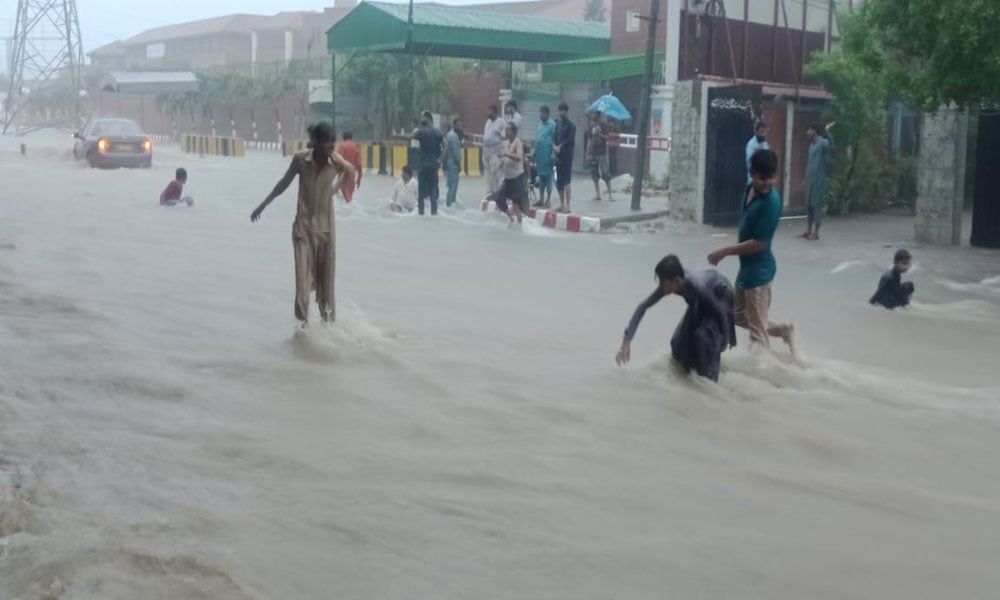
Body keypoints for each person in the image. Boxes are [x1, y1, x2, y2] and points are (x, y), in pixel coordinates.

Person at [250, 121, 354, 325]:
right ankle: (303, 333)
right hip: (303, 231)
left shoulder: (335, 162)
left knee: (327, 287)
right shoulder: (300, 160)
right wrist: (262, 205)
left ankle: (328, 332)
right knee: (302, 286)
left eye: (333, 142)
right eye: (327, 142)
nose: (331, 146)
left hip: (326, 233)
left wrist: (333, 189)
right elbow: (283, 183)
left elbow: (350, 172)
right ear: (315, 142)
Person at [708, 149, 796, 353]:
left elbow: (759, 244)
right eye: (762, 178)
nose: (767, 182)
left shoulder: (771, 204)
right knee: (737, 315)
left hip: (759, 276)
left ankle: (762, 377)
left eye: (771, 178)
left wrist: (724, 251)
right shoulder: (750, 188)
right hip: (746, 271)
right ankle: (784, 330)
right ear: (752, 172)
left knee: (757, 339)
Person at [616, 255, 737, 382]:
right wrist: (626, 341)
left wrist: (725, 339)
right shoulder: (673, 284)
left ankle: (708, 382)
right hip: (700, 300)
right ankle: (690, 377)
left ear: (677, 281)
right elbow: (643, 306)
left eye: (664, 283)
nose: (661, 287)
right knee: (677, 344)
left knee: (703, 338)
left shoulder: (697, 286)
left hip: (720, 294)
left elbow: (719, 313)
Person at [802, 121, 836, 240]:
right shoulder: (811, 145)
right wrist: (804, 179)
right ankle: (808, 230)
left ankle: (816, 233)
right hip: (810, 179)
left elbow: (832, 148)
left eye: (809, 130)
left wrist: (828, 131)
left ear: (814, 131)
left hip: (818, 181)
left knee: (816, 205)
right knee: (809, 206)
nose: (807, 133)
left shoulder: (822, 142)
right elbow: (809, 163)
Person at [412, 116, 444, 216]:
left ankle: (421, 212)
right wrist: (440, 160)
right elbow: (446, 145)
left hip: (423, 165)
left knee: (421, 191)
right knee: (433, 190)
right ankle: (434, 212)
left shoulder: (421, 132)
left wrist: (396, 135)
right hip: (434, 165)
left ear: (421, 124)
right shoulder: (437, 132)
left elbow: (408, 137)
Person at [498, 122, 527, 224]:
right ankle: (511, 218)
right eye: (505, 130)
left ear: (514, 132)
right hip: (507, 177)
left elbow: (519, 157)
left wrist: (506, 153)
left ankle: (520, 224)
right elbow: (503, 156)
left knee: (516, 203)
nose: (506, 132)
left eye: (508, 130)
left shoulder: (518, 142)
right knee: (499, 197)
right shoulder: (506, 143)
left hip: (516, 177)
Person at [553, 102, 576, 213]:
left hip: (567, 155)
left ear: (566, 112)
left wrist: (560, 146)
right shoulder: (557, 125)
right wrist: (555, 146)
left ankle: (568, 205)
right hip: (558, 156)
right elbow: (554, 138)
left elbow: (570, 139)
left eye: (563, 111)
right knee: (559, 181)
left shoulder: (571, 125)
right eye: (560, 110)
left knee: (567, 181)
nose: (561, 113)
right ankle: (562, 204)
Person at [533, 105, 556, 208]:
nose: (540, 115)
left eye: (542, 113)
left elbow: (555, 141)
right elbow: (538, 138)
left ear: (547, 113)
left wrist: (553, 154)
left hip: (548, 155)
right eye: (540, 113)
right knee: (541, 177)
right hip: (539, 155)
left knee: (548, 177)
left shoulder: (552, 125)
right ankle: (541, 199)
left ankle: (548, 200)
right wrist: (534, 153)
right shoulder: (540, 124)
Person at [587, 111, 613, 201]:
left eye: (593, 114)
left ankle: (610, 194)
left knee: (605, 173)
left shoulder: (603, 124)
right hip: (593, 153)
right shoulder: (591, 126)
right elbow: (589, 140)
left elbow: (607, 137)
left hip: (602, 153)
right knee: (594, 174)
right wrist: (588, 153)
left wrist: (600, 135)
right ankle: (598, 194)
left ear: (598, 114)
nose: (592, 115)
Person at [482, 105, 506, 200]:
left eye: (490, 111)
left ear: (496, 112)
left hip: (496, 152)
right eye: (488, 111)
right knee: (488, 174)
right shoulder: (487, 122)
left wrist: (503, 152)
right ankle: (490, 193)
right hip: (486, 152)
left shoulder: (501, 123)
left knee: (497, 173)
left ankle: (499, 193)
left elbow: (505, 137)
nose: (488, 113)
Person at [335, 131, 362, 204]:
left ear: (343, 137)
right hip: (351, 175)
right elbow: (359, 164)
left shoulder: (342, 145)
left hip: (342, 174)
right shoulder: (356, 146)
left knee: (341, 198)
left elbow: (339, 160)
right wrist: (359, 178)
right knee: (349, 198)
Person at [445, 118, 463, 208]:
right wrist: (459, 164)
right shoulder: (453, 136)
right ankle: (450, 203)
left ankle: (449, 202)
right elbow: (456, 152)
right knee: (453, 186)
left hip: (449, 163)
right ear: (454, 125)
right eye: (459, 126)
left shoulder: (450, 134)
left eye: (461, 126)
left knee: (451, 185)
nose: (460, 127)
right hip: (453, 164)